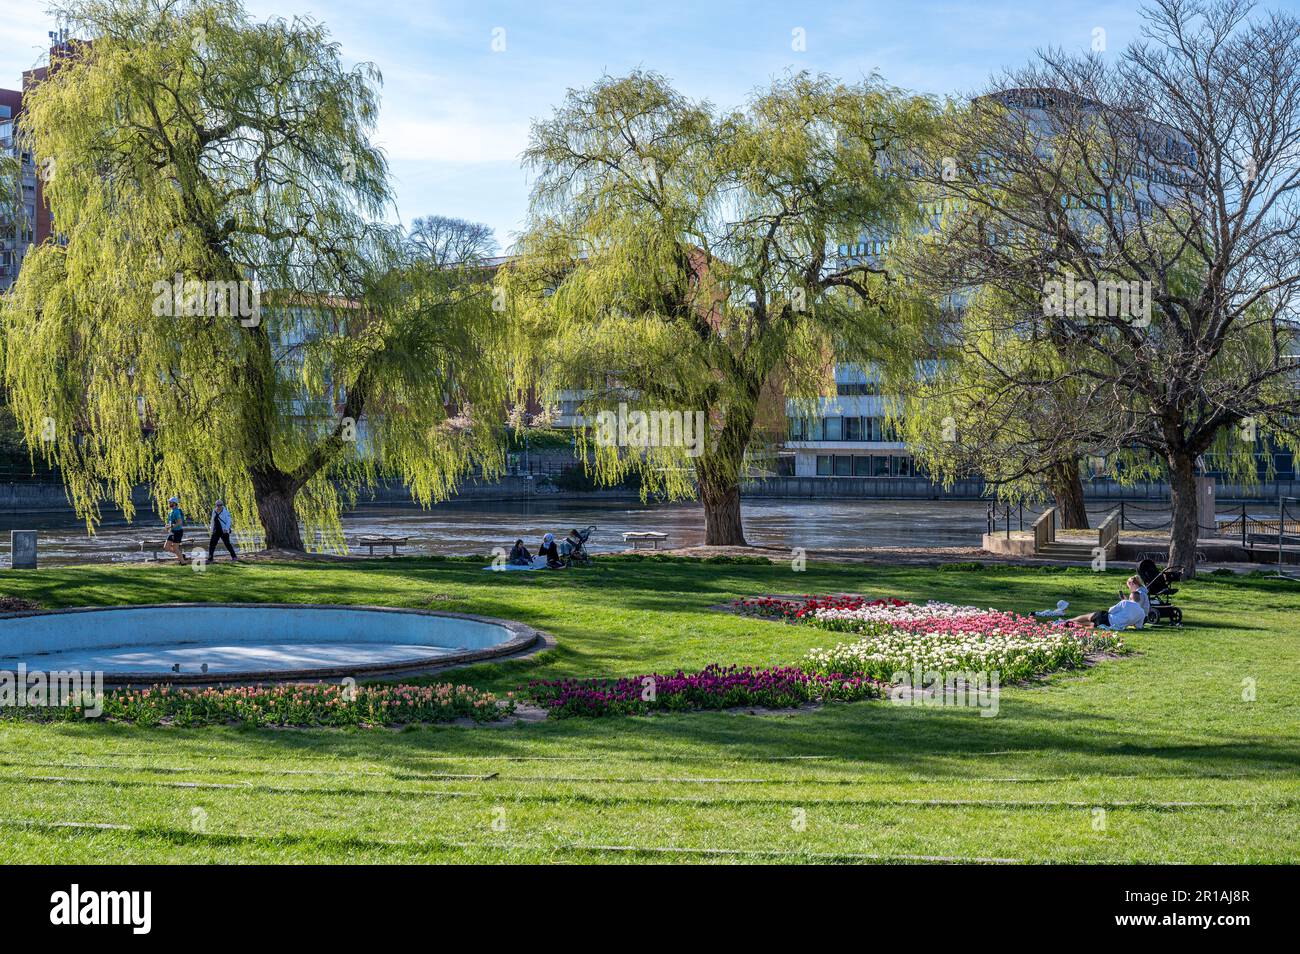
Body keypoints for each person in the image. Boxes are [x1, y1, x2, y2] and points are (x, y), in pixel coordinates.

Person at [1066, 576, 1150, 630]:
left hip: (1107, 618)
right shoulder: (1141, 611)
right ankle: (1069, 623)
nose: (1129, 589)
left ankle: (1068, 621)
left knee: (1087, 617)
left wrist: (1124, 601)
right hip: (1113, 625)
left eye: (1129, 587)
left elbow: (1111, 610)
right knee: (1089, 624)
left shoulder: (1127, 602)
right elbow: (1138, 626)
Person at [162, 496, 186, 564]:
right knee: (166, 547)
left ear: (175, 503)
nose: (169, 503)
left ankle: (183, 563)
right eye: (169, 502)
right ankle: (180, 555)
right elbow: (170, 523)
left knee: (175, 548)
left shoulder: (177, 511)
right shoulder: (171, 512)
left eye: (170, 502)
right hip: (172, 531)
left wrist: (171, 526)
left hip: (178, 532)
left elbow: (180, 522)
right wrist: (167, 526)